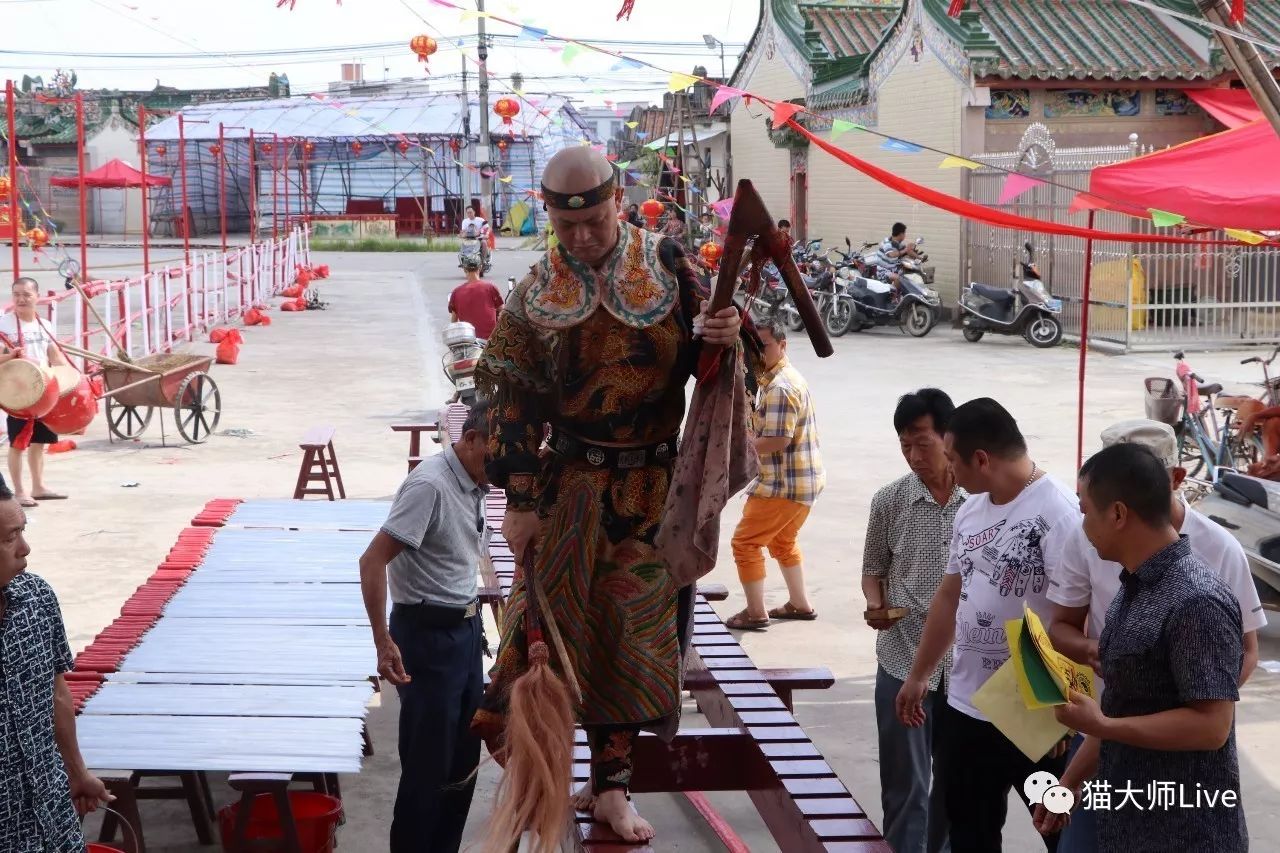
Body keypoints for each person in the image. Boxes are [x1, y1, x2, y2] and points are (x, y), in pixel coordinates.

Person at [471, 146, 744, 846]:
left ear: (617, 199)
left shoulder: (672, 266)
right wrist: (521, 499)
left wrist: (725, 335)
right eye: (569, 229)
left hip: (652, 492)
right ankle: (548, 773)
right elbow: (505, 396)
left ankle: (615, 787)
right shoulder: (535, 293)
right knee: (554, 636)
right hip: (568, 488)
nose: (584, 237)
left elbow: (737, 359)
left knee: (634, 639)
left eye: (594, 221)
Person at [1046, 419, 1263, 853]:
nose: (1081, 525)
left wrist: (1102, 724)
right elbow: (1126, 707)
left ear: (1119, 514)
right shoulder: (1136, 585)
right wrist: (1068, 782)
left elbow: (1212, 726)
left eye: (1086, 510)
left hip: (1182, 826)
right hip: (1127, 811)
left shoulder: (1194, 599)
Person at [897, 398, 1078, 853]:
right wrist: (920, 674)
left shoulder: (1058, 515)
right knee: (970, 834)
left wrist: (1060, 709)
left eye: (953, 459)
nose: (948, 469)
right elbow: (951, 594)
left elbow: (1076, 617)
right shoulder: (972, 509)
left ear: (981, 459)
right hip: (965, 708)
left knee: (1062, 831)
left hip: (1034, 715)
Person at [358, 401, 492, 853]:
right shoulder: (430, 486)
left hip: (465, 633)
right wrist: (383, 640)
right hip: (427, 637)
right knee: (428, 770)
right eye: (497, 454)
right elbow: (372, 560)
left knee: (462, 763)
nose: (504, 470)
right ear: (470, 439)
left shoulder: (478, 480)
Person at [862, 388, 964, 853]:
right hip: (902, 658)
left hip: (966, 667)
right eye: (905, 445)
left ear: (949, 437)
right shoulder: (889, 500)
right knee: (905, 786)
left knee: (955, 786)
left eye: (922, 443)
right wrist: (876, 606)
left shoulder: (980, 500)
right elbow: (873, 570)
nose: (914, 455)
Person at [1, 477, 111, 852]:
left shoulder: (36, 598)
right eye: (8, 538)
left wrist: (76, 772)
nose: (24, 549)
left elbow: (56, 692)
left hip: (51, 812)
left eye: (22, 532)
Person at [726, 318, 823, 630]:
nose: (758, 352)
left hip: (783, 485)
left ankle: (755, 612)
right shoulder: (778, 378)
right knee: (782, 540)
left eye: (764, 345)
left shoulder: (780, 387)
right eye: (753, 346)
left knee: (745, 543)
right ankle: (799, 603)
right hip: (803, 482)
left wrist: (742, 447)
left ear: (783, 345)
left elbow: (778, 440)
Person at [0, 278, 71, 507]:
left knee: (40, 442)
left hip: (43, 392)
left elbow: (54, 356)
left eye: (26, 295)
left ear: (36, 297)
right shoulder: (4, 325)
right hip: (18, 393)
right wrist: (10, 356)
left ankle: (38, 487)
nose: (21, 299)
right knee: (17, 444)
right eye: (16, 294)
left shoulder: (45, 325)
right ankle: (19, 492)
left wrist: (72, 376)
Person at [448, 258, 505, 342]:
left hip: (468, 341)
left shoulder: (456, 292)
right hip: (490, 341)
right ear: (480, 268)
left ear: (464, 269)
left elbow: (454, 322)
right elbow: (503, 312)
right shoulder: (490, 288)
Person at [874, 222, 920, 290]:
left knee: (909, 274)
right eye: (904, 233)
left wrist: (919, 257)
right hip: (884, 272)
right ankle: (893, 297)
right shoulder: (887, 243)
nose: (905, 235)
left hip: (894, 269)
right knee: (898, 278)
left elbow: (907, 251)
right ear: (901, 234)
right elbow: (891, 254)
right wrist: (905, 250)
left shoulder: (899, 243)